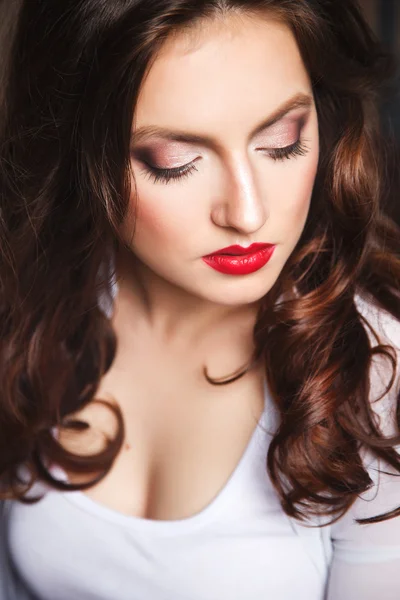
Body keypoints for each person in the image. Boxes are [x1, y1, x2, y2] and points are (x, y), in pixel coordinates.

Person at [1, 0, 400, 598]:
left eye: (284, 141)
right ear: (78, 148)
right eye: (174, 163)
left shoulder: (377, 374)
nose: (247, 212)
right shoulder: (33, 295)